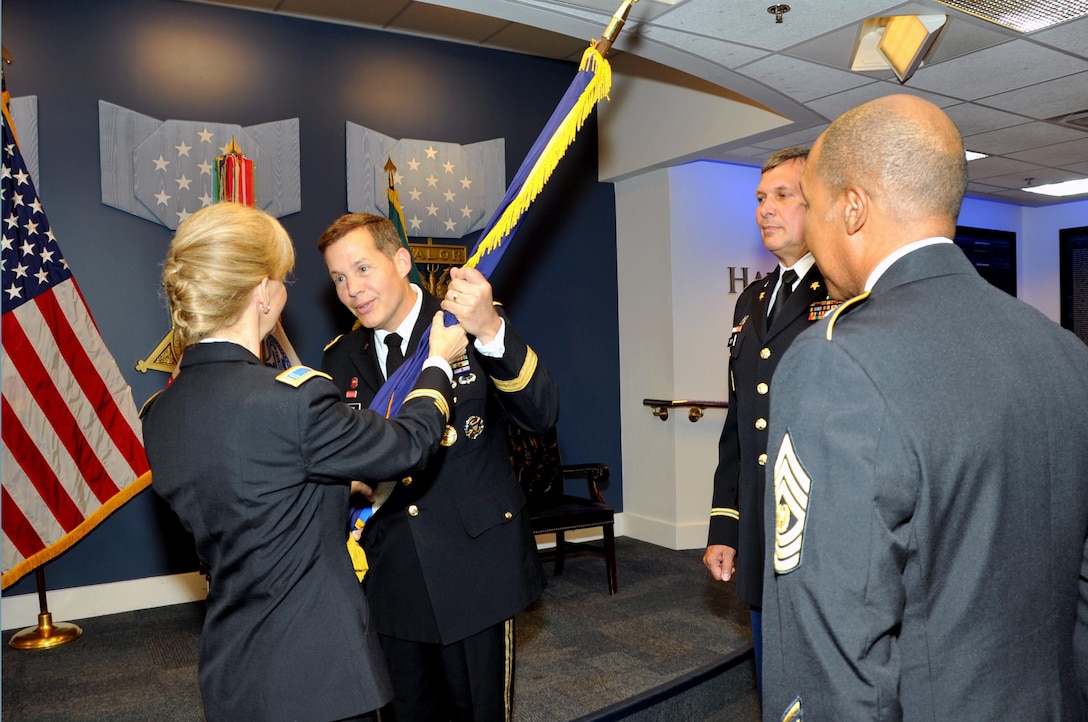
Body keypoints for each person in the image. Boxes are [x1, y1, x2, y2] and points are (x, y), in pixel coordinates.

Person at [761, 94, 1088, 720]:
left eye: (815, 208)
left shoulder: (837, 362)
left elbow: (834, 643)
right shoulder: (1063, 351)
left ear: (852, 208)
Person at [142, 203, 467, 722]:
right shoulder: (292, 398)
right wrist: (436, 364)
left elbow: (256, 495)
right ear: (262, 293)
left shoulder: (160, 413)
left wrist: (336, 491)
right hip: (319, 675)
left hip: (233, 665)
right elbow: (408, 445)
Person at [318, 213, 560, 721]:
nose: (352, 290)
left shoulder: (465, 324)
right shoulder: (340, 360)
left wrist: (492, 329)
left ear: (401, 260)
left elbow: (541, 413)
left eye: (362, 269)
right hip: (390, 576)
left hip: (474, 567)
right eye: (339, 278)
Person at [703, 146, 835, 689]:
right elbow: (739, 425)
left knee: (824, 680)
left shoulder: (845, 295)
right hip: (761, 529)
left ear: (819, 205)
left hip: (822, 532)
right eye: (761, 198)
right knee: (772, 678)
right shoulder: (752, 300)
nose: (765, 209)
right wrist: (724, 527)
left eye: (783, 196)